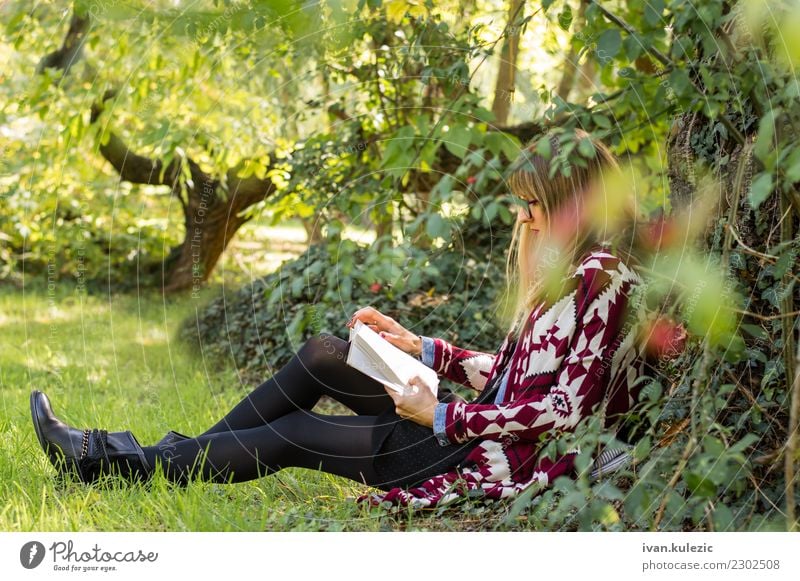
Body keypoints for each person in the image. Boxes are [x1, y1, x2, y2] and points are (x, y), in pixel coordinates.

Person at [30, 129, 646, 510]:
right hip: (468, 431)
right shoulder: (567, 273)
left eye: (533, 203)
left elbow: (568, 410)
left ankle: (104, 460)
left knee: (295, 433)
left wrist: (441, 414)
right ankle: (148, 461)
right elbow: (514, 379)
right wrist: (421, 347)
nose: (522, 217)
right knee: (326, 352)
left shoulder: (601, 277)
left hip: (485, 459)